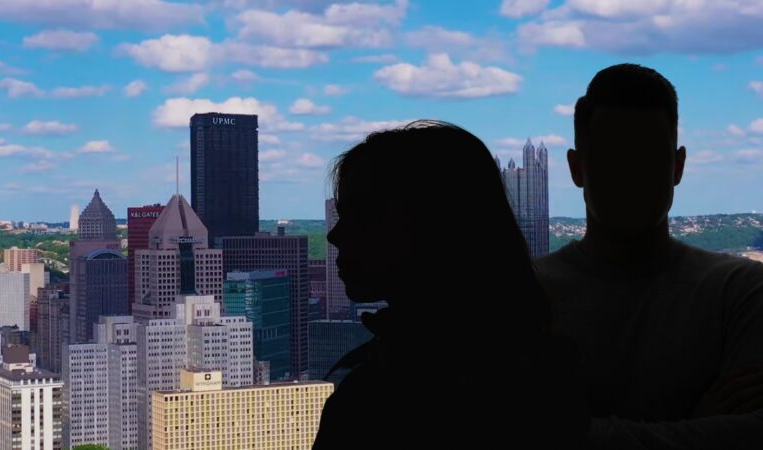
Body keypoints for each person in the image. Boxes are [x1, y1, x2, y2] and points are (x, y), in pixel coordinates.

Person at [312, 120, 589, 449]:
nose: (335, 235)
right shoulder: (548, 378)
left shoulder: (382, 399)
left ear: (435, 226)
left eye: (363, 215)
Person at [535, 63, 763, 449]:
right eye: (613, 156)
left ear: (677, 166)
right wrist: (697, 426)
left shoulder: (742, 292)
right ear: (577, 168)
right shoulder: (737, 296)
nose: (630, 174)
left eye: (646, 155)